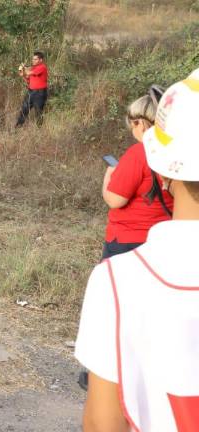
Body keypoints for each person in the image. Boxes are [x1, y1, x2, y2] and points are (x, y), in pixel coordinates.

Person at [75, 68, 199, 432]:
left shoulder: (118, 283)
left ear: (166, 172)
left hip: (127, 244)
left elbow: (103, 424)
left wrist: (108, 180)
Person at [100, 90, 173, 259]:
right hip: (165, 238)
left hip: (129, 240)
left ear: (140, 124)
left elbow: (114, 200)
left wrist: (108, 176)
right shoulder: (177, 150)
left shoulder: (138, 153)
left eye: (132, 123)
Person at [16, 51, 49, 127]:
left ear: (40, 60)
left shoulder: (42, 67)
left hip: (40, 93)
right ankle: (18, 128)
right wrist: (23, 75)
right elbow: (28, 80)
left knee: (38, 112)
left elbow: (29, 73)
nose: (33, 60)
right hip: (31, 92)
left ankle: (39, 129)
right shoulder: (33, 68)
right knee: (24, 110)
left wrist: (23, 68)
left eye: (35, 59)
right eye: (33, 59)